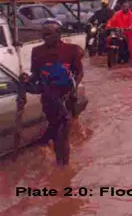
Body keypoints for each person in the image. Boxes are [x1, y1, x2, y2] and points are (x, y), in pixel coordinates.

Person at [21, 19, 84, 166]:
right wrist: (26, 80)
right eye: (43, 35)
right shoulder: (37, 52)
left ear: (59, 34)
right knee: (57, 130)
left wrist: (73, 88)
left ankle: (63, 166)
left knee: (63, 131)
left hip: (66, 96)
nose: (45, 38)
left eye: (48, 34)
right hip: (49, 97)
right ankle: (58, 159)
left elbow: (79, 72)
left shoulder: (72, 50)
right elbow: (36, 75)